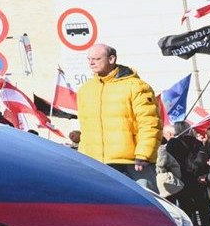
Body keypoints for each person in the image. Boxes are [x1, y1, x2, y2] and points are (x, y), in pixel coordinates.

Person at [71, 46, 166, 183]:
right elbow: (86, 128)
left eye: (97, 59)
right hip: (96, 163)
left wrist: (144, 154)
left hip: (132, 162)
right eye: (89, 59)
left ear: (112, 59)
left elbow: (150, 123)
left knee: (141, 203)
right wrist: (82, 157)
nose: (91, 63)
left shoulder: (136, 86)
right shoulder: (85, 90)